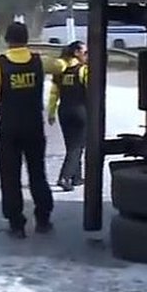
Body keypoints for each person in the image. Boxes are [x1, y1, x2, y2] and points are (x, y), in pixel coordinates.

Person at [0, 22, 65, 238]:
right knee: (37, 174)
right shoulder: (39, 62)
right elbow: (60, 66)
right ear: (26, 39)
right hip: (33, 127)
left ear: (7, 40)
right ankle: (43, 219)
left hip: (10, 129)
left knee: (10, 177)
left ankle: (16, 224)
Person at [48, 41, 89, 192]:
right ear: (77, 53)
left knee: (71, 145)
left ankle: (76, 177)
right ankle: (64, 177)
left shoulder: (60, 71)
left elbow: (54, 93)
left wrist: (51, 112)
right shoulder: (83, 70)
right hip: (80, 111)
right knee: (77, 147)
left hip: (64, 110)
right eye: (85, 53)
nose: (87, 56)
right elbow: (91, 91)